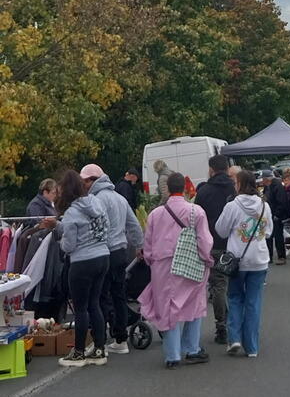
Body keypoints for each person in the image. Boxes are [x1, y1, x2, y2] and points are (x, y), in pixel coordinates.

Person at [139, 172, 213, 369]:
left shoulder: (156, 214)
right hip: (190, 263)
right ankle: (192, 348)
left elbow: (148, 243)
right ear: (185, 188)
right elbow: (204, 240)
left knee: (166, 306)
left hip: (162, 265)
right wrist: (207, 259)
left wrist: (149, 259)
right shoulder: (196, 211)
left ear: (168, 189)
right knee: (194, 303)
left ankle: (172, 355)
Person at [80, 163, 144, 354]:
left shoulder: (95, 200)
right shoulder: (119, 198)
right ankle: (121, 340)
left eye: (84, 181)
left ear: (93, 180)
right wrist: (140, 246)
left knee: (99, 296)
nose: (83, 184)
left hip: (102, 252)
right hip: (121, 252)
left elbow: (90, 228)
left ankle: (101, 340)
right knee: (119, 295)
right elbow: (133, 225)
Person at [215, 170, 273, 357]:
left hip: (237, 260)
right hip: (259, 259)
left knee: (235, 298)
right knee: (253, 302)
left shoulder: (232, 206)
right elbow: (269, 231)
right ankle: (252, 347)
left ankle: (235, 338)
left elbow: (221, 231)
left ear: (239, 184)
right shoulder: (264, 206)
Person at [56, 170, 110, 368]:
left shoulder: (71, 212)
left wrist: (61, 239)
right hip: (103, 255)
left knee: (80, 308)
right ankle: (99, 349)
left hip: (82, 261)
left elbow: (68, 246)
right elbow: (105, 226)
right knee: (94, 304)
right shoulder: (96, 203)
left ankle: (78, 352)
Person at [194, 154, 236, 344]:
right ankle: (237, 324)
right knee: (235, 285)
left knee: (218, 286)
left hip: (212, 244)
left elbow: (196, 218)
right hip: (235, 244)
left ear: (211, 169)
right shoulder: (235, 188)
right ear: (227, 169)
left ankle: (222, 326)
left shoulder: (204, 191)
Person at [261, 169, 290, 265]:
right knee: (268, 236)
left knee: (278, 236)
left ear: (266, 179)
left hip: (276, 215)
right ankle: (269, 256)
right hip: (268, 214)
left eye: (263, 178)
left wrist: (277, 214)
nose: (262, 181)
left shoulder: (277, 186)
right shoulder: (268, 186)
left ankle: (281, 257)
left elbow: (281, 201)